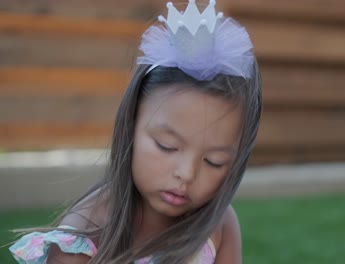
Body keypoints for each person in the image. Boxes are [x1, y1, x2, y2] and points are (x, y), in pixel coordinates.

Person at [9, 0, 262, 263]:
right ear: (130, 126)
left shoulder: (219, 227)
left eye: (214, 161)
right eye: (167, 146)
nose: (186, 173)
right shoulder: (83, 237)